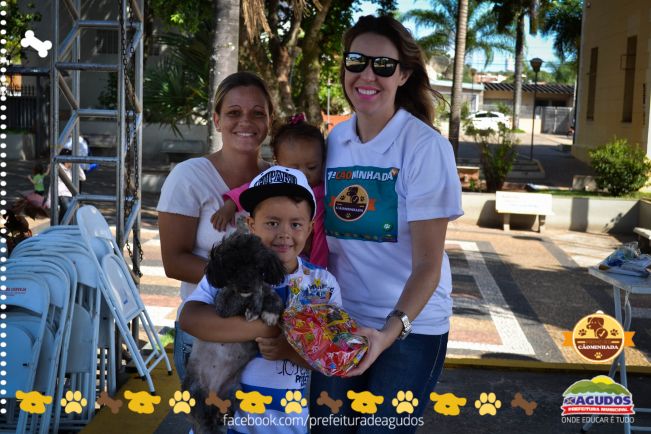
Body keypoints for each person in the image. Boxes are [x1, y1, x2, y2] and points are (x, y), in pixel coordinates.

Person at [310, 14, 463, 433]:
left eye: (383, 65)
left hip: (411, 330)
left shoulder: (425, 148)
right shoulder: (336, 140)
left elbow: (428, 265)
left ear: (403, 74)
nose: (367, 75)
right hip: (342, 321)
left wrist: (388, 333)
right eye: (356, 61)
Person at [180, 166, 342, 433]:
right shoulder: (232, 270)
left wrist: (288, 350)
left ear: (310, 228)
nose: (284, 233)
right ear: (251, 225)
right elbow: (190, 318)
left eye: (296, 224)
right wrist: (269, 328)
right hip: (227, 422)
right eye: (272, 223)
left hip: (286, 425)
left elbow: (330, 356)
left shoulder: (322, 284)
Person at [157, 71, 274, 381]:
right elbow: (174, 262)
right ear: (217, 120)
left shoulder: (280, 179)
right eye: (234, 113)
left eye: (257, 113)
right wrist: (246, 284)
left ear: (269, 121)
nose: (246, 121)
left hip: (267, 335)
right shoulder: (189, 176)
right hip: (206, 335)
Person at [211, 114, 329, 267]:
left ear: (323, 161)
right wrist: (230, 205)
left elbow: (321, 240)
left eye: (312, 167)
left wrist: (317, 270)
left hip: (309, 264)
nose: (303, 174)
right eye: (293, 169)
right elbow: (251, 187)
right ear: (277, 163)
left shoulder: (325, 192)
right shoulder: (277, 182)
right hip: (273, 258)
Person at [57, 148, 86, 223]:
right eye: (72, 159)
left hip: (70, 195)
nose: (73, 161)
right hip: (62, 195)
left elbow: (83, 177)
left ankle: (59, 227)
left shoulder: (72, 169)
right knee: (70, 215)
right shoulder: (59, 167)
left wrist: (77, 165)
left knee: (64, 216)